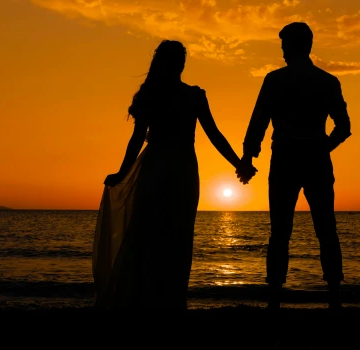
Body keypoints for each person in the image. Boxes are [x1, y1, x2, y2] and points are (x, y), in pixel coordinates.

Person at [92, 40, 256, 309]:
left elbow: (213, 135)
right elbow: (139, 138)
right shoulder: (184, 95)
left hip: (167, 169)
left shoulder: (173, 95)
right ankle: (161, 299)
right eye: (178, 59)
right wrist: (122, 172)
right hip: (174, 169)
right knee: (167, 235)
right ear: (175, 63)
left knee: (161, 233)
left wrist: (239, 163)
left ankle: (157, 298)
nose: (180, 64)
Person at [238, 22, 351, 310]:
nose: (281, 50)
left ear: (290, 46)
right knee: (326, 228)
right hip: (316, 158)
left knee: (280, 231)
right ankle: (334, 295)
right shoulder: (327, 81)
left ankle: (275, 296)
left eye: (283, 44)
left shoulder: (275, 80)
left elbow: (259, 121)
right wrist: (324, 146)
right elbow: (343, 127)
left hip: (286, 158)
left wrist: (249, 157)